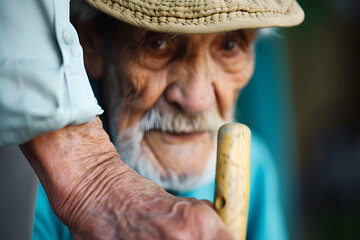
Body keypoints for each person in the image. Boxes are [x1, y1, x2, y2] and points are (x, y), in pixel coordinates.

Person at [0, 0, 304, 239]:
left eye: (229, 46)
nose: (196, 100)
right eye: (158, 43)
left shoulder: (256, 168)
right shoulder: (33, 183)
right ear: (87, 43)